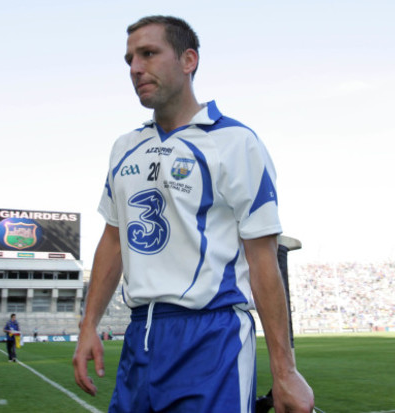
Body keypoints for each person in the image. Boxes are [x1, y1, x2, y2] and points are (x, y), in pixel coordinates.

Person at [72, 15, 314, 412]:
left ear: (188, 60)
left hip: (210, 338)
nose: (135, 68)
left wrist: (285, 371)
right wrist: (87, 327)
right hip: (140, 338)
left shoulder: (235, 142)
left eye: (148, 53)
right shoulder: (125, 147)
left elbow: (262, 260)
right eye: (130, 59)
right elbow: (113, 240)